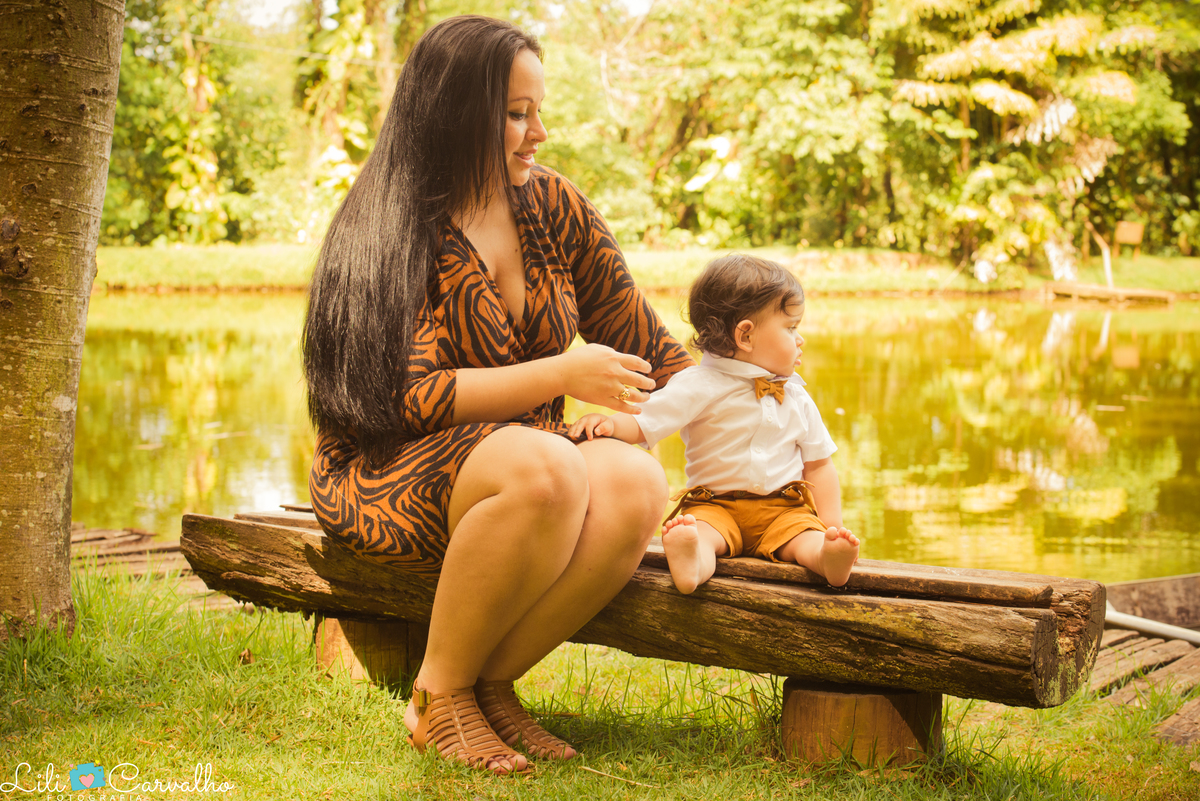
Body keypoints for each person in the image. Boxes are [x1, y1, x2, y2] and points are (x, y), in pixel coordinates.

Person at [301, 16, 692, 775]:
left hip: (526, 477)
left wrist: (754, 403)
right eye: (516, 114)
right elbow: (404, 399)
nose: (537, 132)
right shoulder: (391, 226)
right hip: (388, 475)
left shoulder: (555, 207)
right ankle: (437, 696)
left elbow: (647, 341)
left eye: (537, 111)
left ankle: (490, 684)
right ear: (454, 112)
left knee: (636, 479)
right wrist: (559, 375)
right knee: (544, 465)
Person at [569, 254, 859, 595]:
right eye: (791, 327)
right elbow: (647, 421)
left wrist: (831, 526)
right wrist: (610, 424)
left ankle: (827, 557)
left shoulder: (795, 395)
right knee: (703, 533)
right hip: (714, 505)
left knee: (803, 539)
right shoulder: (699, 384)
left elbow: (819, 465)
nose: (800, 339)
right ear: (746, 336)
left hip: (784, 508)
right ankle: (692, 561)